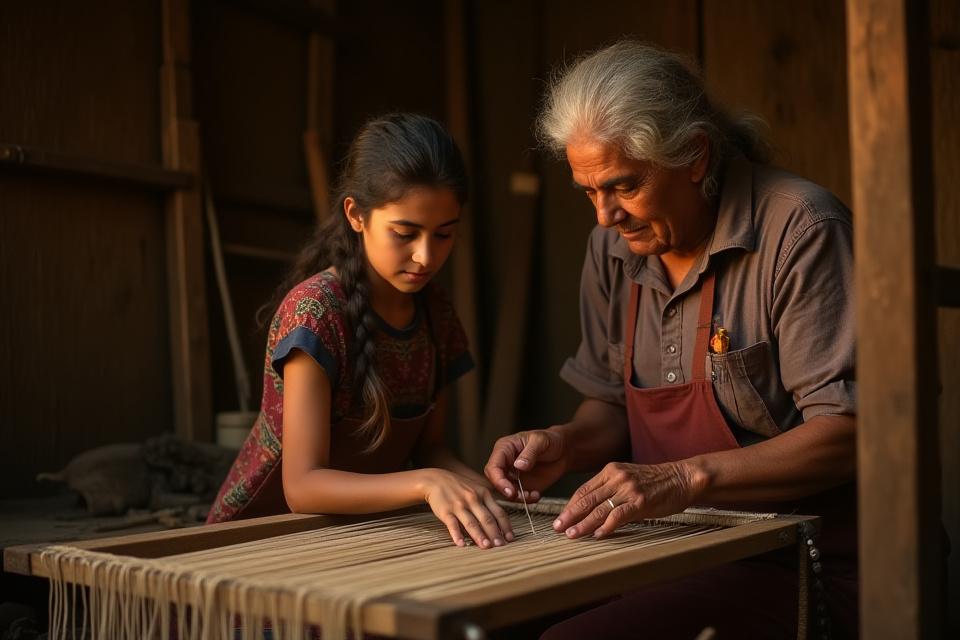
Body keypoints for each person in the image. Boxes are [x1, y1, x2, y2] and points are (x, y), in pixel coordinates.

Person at [484, 41, 858, 638]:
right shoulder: (612, 250)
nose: (604, 215)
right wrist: (565, 444)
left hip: (807, 563)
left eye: (624, 186)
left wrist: (682, 479)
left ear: (694, 156)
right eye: (588, 191)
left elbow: (849, 433)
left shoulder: (800, 231)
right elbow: (612, 406)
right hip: (669, 550)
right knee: (490, 620)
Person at [209, 113, 513, 551]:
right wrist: (427, 483)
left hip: (358, 535)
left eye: (444, 235)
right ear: (356, 215)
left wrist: (484, 489)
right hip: (257, 542)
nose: (426, 257)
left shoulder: (437, 313)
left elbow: (431, 449)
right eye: (405, 233)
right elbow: (303, 487)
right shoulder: (315, 313)